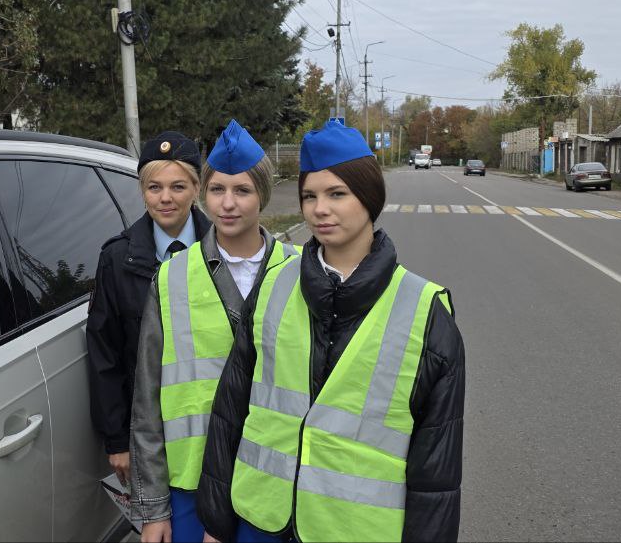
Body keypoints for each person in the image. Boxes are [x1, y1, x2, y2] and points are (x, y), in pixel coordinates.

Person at [197, 120, 466, 542]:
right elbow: (230, 409)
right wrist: (215, 522)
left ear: (369, 197)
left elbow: (437, 470)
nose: (320, 209)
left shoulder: (425, 312)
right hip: (260, 522)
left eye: (337, 193)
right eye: (310, 196)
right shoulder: (272, 286)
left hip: (354, 531)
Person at [131, 120, 298, 543]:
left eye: (242, 190)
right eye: (217, 190)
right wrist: (153, 509)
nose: (227, 204)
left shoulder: (298, 275)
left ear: (263, 194)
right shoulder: (170, 278)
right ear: (204, 194)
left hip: (272, 486)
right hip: (191, 485)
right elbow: (147, 402)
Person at [88, 132, 212, 486]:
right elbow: (105, 354)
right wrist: (117, 439)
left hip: (213, 422)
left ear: (195, 188)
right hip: (149, 428)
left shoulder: (222, 250)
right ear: (143, 191)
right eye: (154, 187)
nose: (166, 198)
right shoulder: (116, 259)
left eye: (178, 187)